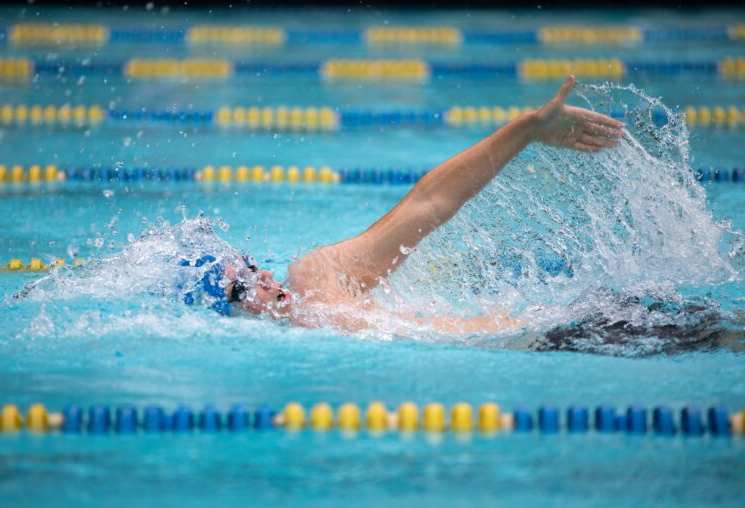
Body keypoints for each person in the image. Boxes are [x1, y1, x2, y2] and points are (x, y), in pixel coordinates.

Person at [187, 76, 624, 334]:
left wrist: (525, 130)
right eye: (241, 288)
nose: (262, 277)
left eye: (250, 266)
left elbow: (426, 204)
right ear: (224, 319)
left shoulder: (314, 278)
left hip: (574, 328)